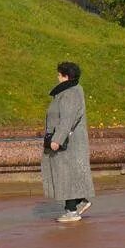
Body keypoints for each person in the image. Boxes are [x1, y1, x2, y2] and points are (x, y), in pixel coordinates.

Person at [42, 61, 93, 223]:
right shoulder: (66, 91)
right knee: (67, 174)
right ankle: (79, 202)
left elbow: (67, 119)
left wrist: (57, 140)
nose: (57, 77)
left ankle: (72, 210)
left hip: (69, 142)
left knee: (66, 174)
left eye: (59, 74)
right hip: (68, 140)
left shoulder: (70, 93)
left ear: (66, 76)